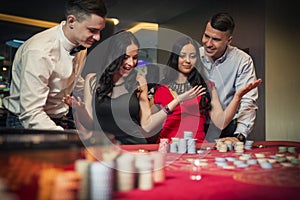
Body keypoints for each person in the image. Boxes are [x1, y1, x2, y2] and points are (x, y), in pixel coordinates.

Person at [63, 31, 206, 144]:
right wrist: (80, 110)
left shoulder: (139, 81)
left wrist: (176, 101)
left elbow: (147, 126)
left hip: (134, 146)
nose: (131, 63)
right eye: (125, 57)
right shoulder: (92, 80)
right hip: (104, 147)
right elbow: (90, 125)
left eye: (135, 57)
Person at [3, 0, 107, 130]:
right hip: (26, 122)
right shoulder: (39, 51)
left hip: (57, 118)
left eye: (99, 31)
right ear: (71, 21)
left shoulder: (81, 45)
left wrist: (101, 92)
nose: (97, 37)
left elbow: (72, 79)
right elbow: (31, 113)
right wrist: (61, 135)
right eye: (92, 30)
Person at [153, 36, 262, 143]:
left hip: (197, 148)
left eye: (192, 56)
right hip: (166, 147)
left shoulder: (206, 87)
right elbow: (148, 125)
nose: (187, 60)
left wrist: (237, 98)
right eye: (182, 55)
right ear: (175, 57)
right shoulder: (161, 87)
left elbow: (221, 123)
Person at [199, 12, 259, 142]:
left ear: (228, 40)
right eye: (206, 36)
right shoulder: (193, 57)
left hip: (228, 130)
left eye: (215, 39)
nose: (208, 43)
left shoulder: (242, 60)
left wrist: (239, 135)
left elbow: (248, 102)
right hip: (197, 127)